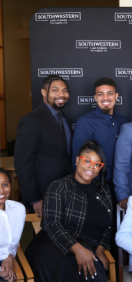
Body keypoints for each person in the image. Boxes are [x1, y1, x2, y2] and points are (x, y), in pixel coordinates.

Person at [25, 141, 113, 282]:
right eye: (87, 161)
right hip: (53, 246)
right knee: (88, 270)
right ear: (77, 160)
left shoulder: (104, 190)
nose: (92, 167)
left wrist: (101, 249)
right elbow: (50, 223)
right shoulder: (59, 186)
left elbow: (109, 225)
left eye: (97, 164)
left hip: (88, 248)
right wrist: (78, 249)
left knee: (89, 267)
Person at [15, 74, 72, 217]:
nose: (61, 94)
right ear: (44, 92)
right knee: (44, 238)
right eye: (55, 90)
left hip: (66, 191)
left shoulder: (65, 119)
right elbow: (22, 164)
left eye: (65, 90)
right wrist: (34, 199)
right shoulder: (30, 121)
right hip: (42, 195)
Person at [72, 77, 129, 203]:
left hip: (123, 186)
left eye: (110, 93)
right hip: (96, 186)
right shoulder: (85, 122)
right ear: (95, 97)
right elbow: (77, 161)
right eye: (100, 94)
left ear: (116, 96)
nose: (106, 98)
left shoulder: (123, 121)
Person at [0, 168, 26, 282]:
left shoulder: (18, 210)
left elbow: (14, 242)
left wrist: (11, 255)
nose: (1, 190)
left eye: (5, 184)